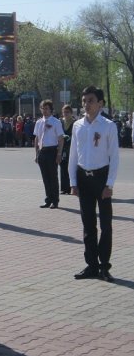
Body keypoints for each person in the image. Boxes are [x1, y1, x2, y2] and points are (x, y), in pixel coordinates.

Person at [69, 86, 119, 282]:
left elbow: (114, 157)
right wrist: (73, 182)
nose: (86, 104)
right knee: (88, 225)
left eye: (90, 100)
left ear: (100, 103)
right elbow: (73, 155)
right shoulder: (77, 126)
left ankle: (104, 267)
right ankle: (91, 265)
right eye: (84, 101)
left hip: (102, 178)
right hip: (83, 178)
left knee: (105, 225)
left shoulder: (108, 126)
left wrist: (109, 184)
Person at [34, 99, 64, 209]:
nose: (45, 111)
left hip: (52, 151)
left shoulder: (56, 122)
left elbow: (61, 139)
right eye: (43, 108)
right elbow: (37, 138)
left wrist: (59, 153)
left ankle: (55, 200)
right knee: (45, 177)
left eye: (47, 108)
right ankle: (48, 199)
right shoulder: (38, 122)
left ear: (51, 110)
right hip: (42, 151)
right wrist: (36, 153)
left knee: (53, 177)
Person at [60, 105, 75, 194]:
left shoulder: (74, 123)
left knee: (71, 168)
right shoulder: (60, 122)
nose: (65, 114)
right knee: (63, 167)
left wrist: (71, 137)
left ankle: (71, 188)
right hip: (62, 147)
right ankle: (64, 188)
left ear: (71, 113)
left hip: (71, 147)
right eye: (64, 112)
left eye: (67, 112)